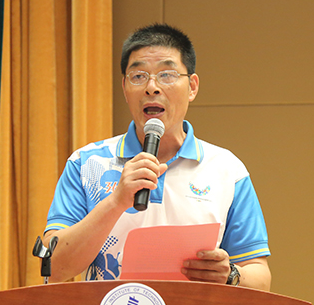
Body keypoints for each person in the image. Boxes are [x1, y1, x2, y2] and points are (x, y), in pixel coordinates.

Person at [43, 23, 271, 290]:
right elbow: (53, 267)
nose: (152, 87)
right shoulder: (86, 163)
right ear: (124, 88)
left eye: (167, 75)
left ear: (192, 87)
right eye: (138, 76)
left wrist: (230, 274)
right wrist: (116, 201)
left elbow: (260, 277)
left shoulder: (227, 169)